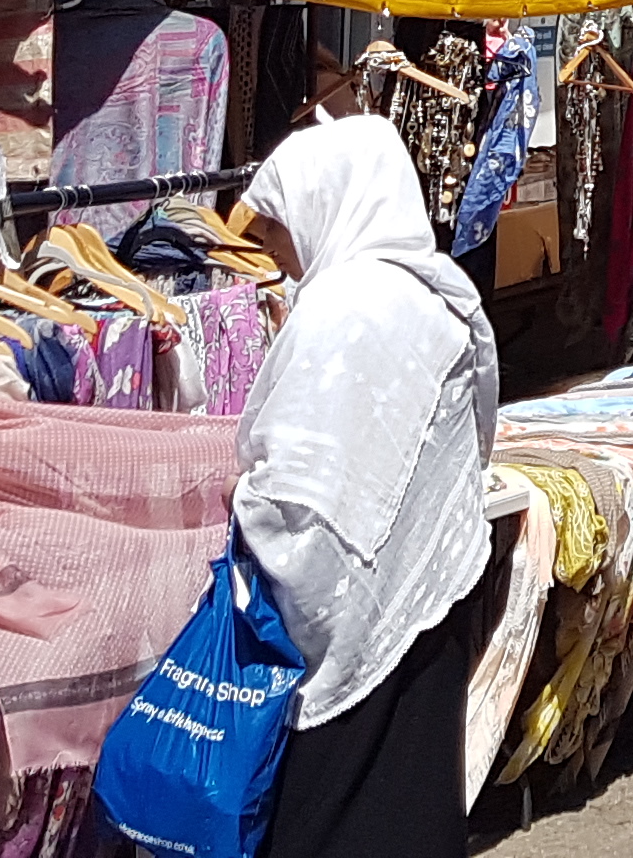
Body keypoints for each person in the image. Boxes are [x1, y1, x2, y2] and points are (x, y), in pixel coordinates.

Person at [234, 111, 502, 858]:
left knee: (334, 816)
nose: (272, 246)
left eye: (278, 223)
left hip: (345, 636)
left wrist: (240, 500)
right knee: (414, 800)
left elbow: (296, 501)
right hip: (427, 611)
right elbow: (470, 445)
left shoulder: (340, 314)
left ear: (329, 203)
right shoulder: (442, 300)